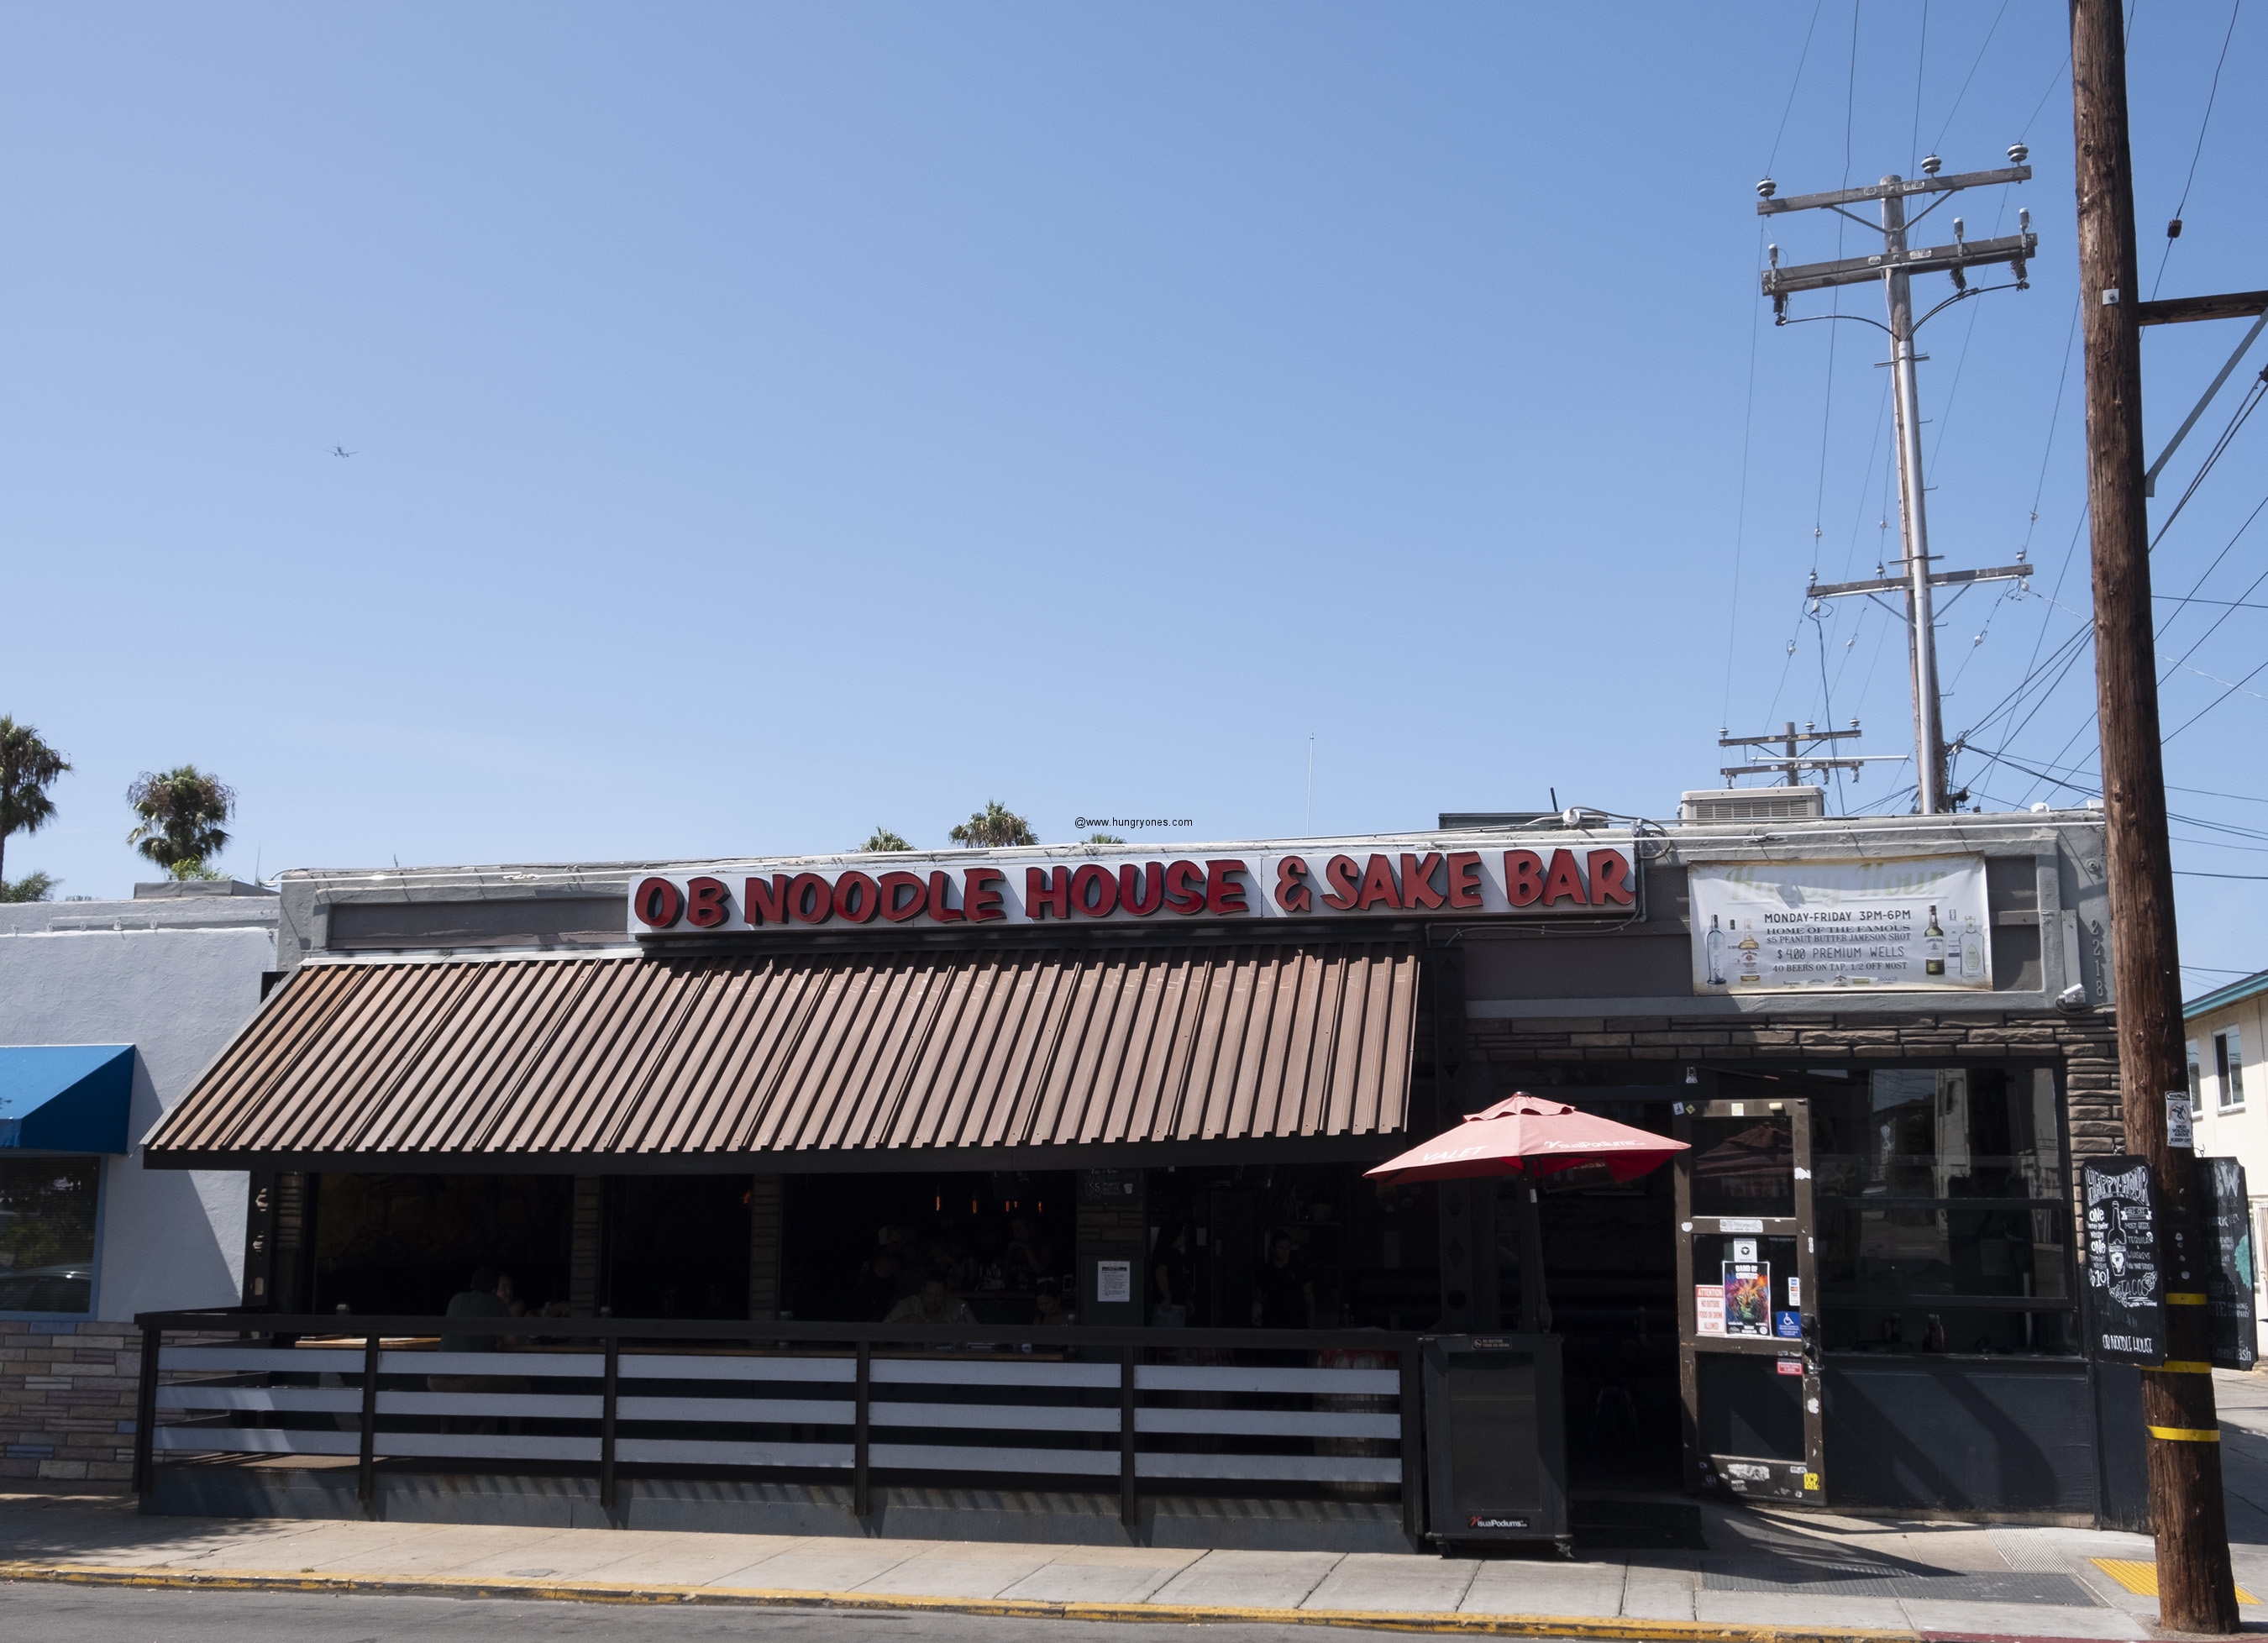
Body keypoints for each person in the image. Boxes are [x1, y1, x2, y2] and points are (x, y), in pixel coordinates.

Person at [1252, 1233, 1314, 1329]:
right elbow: (1259, 1296)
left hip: (1296, 1320)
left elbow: (1308, 1295)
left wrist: (1311, 1323)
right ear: (1273, 1248)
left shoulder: (1299, 1269)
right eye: (1281, 1248)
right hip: (1272, 1320)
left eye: (1287, 1248)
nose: (1284, 1252)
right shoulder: (1265, 1270)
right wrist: (1257, 1312)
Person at [884, 1274, 978, 1328]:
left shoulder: (960, 1307)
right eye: (929, 1294)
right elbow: (879, 1335)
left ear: (946, 1293)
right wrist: (907, 1321)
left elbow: (980, 1336)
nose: (933, 1300)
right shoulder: (906, 1305)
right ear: (922, 1291)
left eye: (938, 1295)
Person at [1152, 1221, 1192, 1326]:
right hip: (1171, 1308)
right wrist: (1167, 1297)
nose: (1185, 1238)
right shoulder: (1172, 1255)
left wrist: (1186, 1300)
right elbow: (1160, 1272)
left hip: (1173, 1306)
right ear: (1175, 1236)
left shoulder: (1167, 1254)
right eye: (1183, 1234)